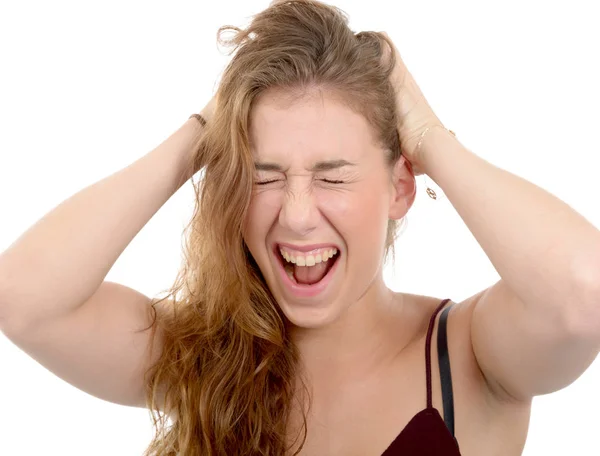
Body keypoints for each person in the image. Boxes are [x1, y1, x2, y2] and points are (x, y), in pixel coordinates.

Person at [0, 0, 598, 455]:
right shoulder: (204, 361)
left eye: (332, 177)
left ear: (400, 187)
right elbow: (23, 299)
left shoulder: (468, 354)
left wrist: (430, 139)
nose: (297, 213)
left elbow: (584, 295)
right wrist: (205, 131)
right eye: (264, 177)